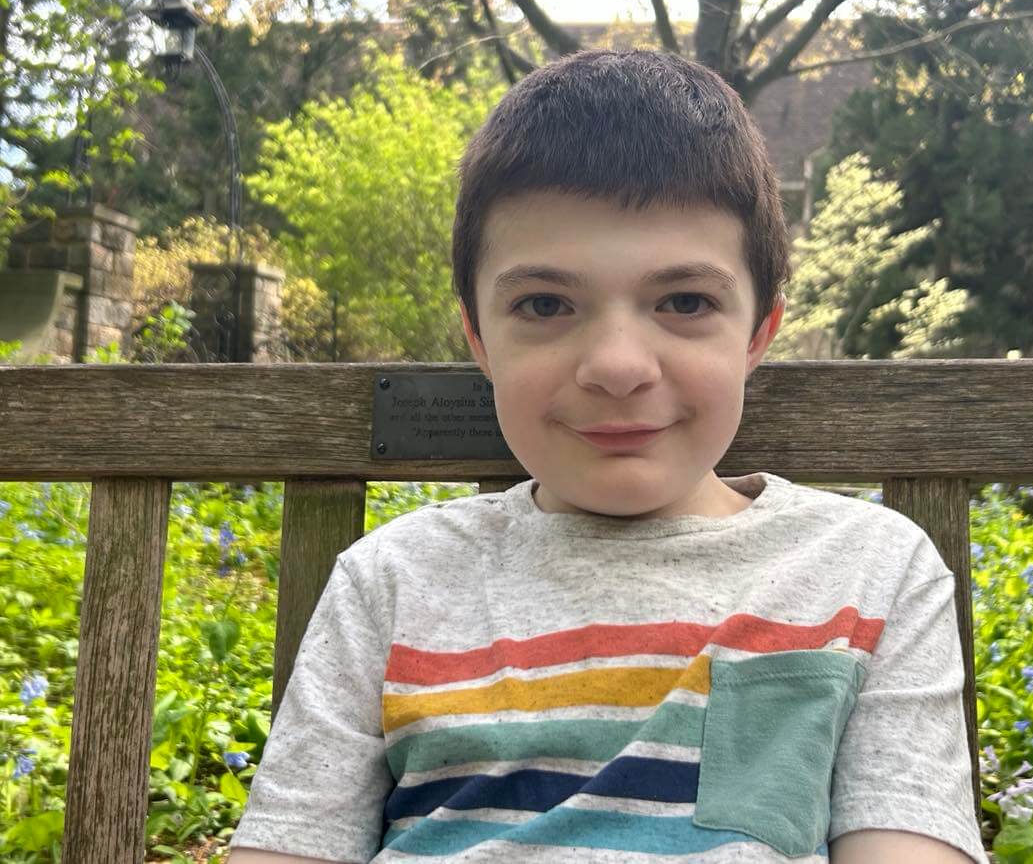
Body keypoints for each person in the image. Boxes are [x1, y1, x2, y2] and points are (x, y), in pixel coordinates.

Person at [229, 49, 988, 864]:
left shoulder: (869, 570)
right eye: (545, 304)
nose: (618, 366)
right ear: (479, 338)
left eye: (685, 301)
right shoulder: (391, 581)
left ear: (758, 334)